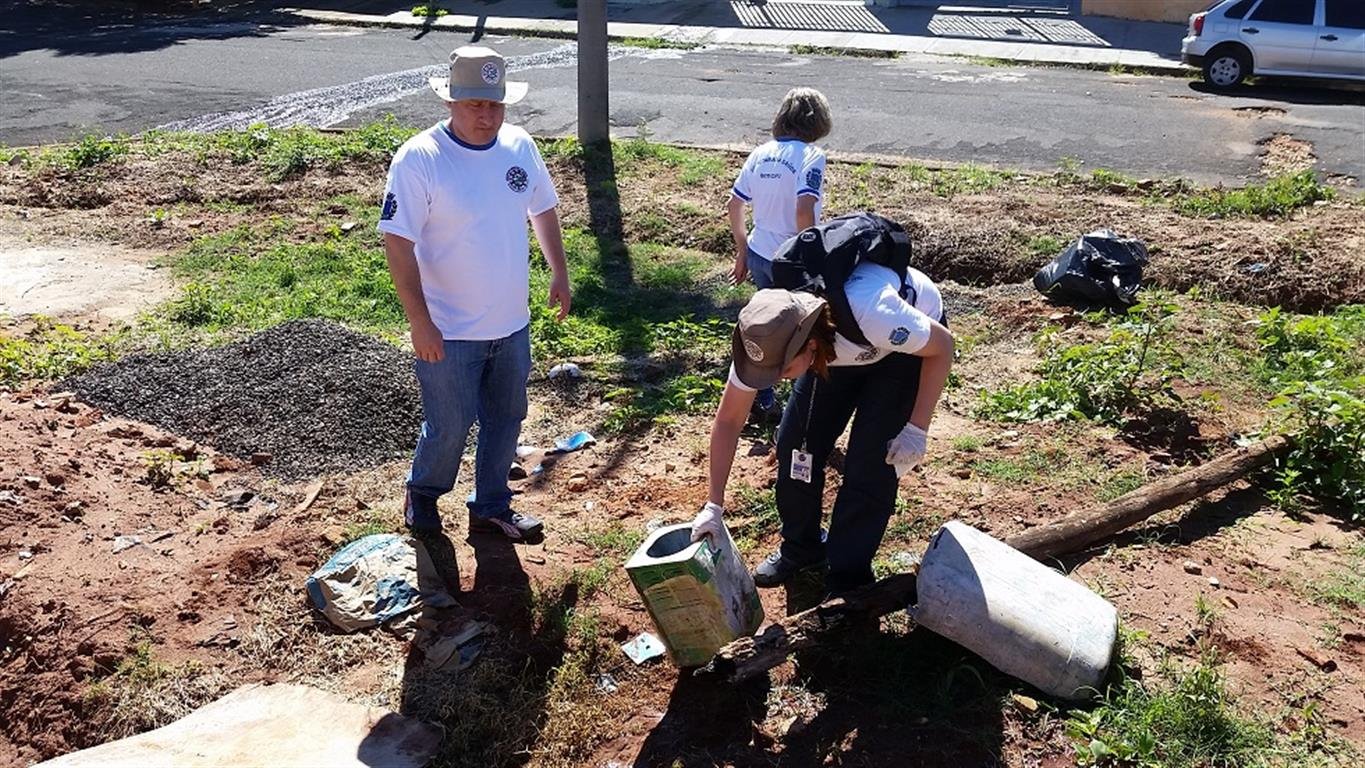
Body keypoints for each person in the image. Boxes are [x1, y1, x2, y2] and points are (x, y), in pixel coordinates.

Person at [378, 45, 571, 545]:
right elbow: (398, 243)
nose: (486, 116)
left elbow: (542, 208)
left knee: (506, 418)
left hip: (511, 322)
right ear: (450, 102)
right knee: (449, 425)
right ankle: (423, 493)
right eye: (474, 105)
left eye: (495, 105)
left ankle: (491, 506)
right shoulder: (421, 158)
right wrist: (420, 321)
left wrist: (559, 271)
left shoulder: (519, 146)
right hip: (448, 328)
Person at [691, 264, 953, 596]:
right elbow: (729, 420)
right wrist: (714, 505)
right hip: (841, 347)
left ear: (809, 344)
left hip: (904, 349)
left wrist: (917, 428)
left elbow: (943, 345)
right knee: (794, 446)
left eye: (783, 370)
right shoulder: (765, 335)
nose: (773, 379)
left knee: (872, 463)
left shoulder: (873, 312)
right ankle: (803, 548)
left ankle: (847, 577)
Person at [726, 87, 832, 416]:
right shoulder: (811, 156)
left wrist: (742, 250)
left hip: (759, 253)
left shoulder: (760, 153)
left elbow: (734, 204)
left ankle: (762, 395)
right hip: (791, 257)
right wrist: (809, 256)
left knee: (765, 325)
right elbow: (804, 210)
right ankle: (802, 402)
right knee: (803, 329)